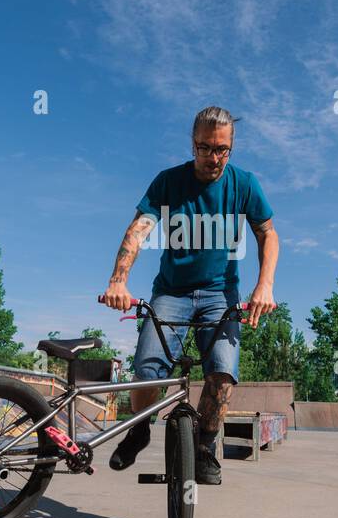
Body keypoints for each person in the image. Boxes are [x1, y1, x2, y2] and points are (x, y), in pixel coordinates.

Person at [100, 105, 279, 484]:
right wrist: (118, 280)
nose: (213, 158)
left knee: (222, 372)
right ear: (192, 143)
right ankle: (139, 429)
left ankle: (204, 447)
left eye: (222, 150)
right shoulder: (168, 182)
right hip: (171, 292)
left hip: (219, 294)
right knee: (148, 370)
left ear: (230, 147)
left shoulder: (243, 184)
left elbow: (267, 233)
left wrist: (265, 285)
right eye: (204, 148)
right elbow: (139, 229)